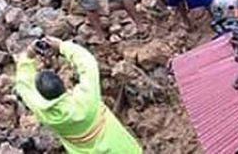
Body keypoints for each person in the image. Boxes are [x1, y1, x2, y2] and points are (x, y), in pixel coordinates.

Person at [14, 37, 142, 154]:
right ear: (63, 84)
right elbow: (87, 64)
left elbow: (23, 85)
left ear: (41, 94)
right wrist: (61, 46)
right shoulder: (86, 99)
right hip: (122, 149)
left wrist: (28, 56)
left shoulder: (43, 111)